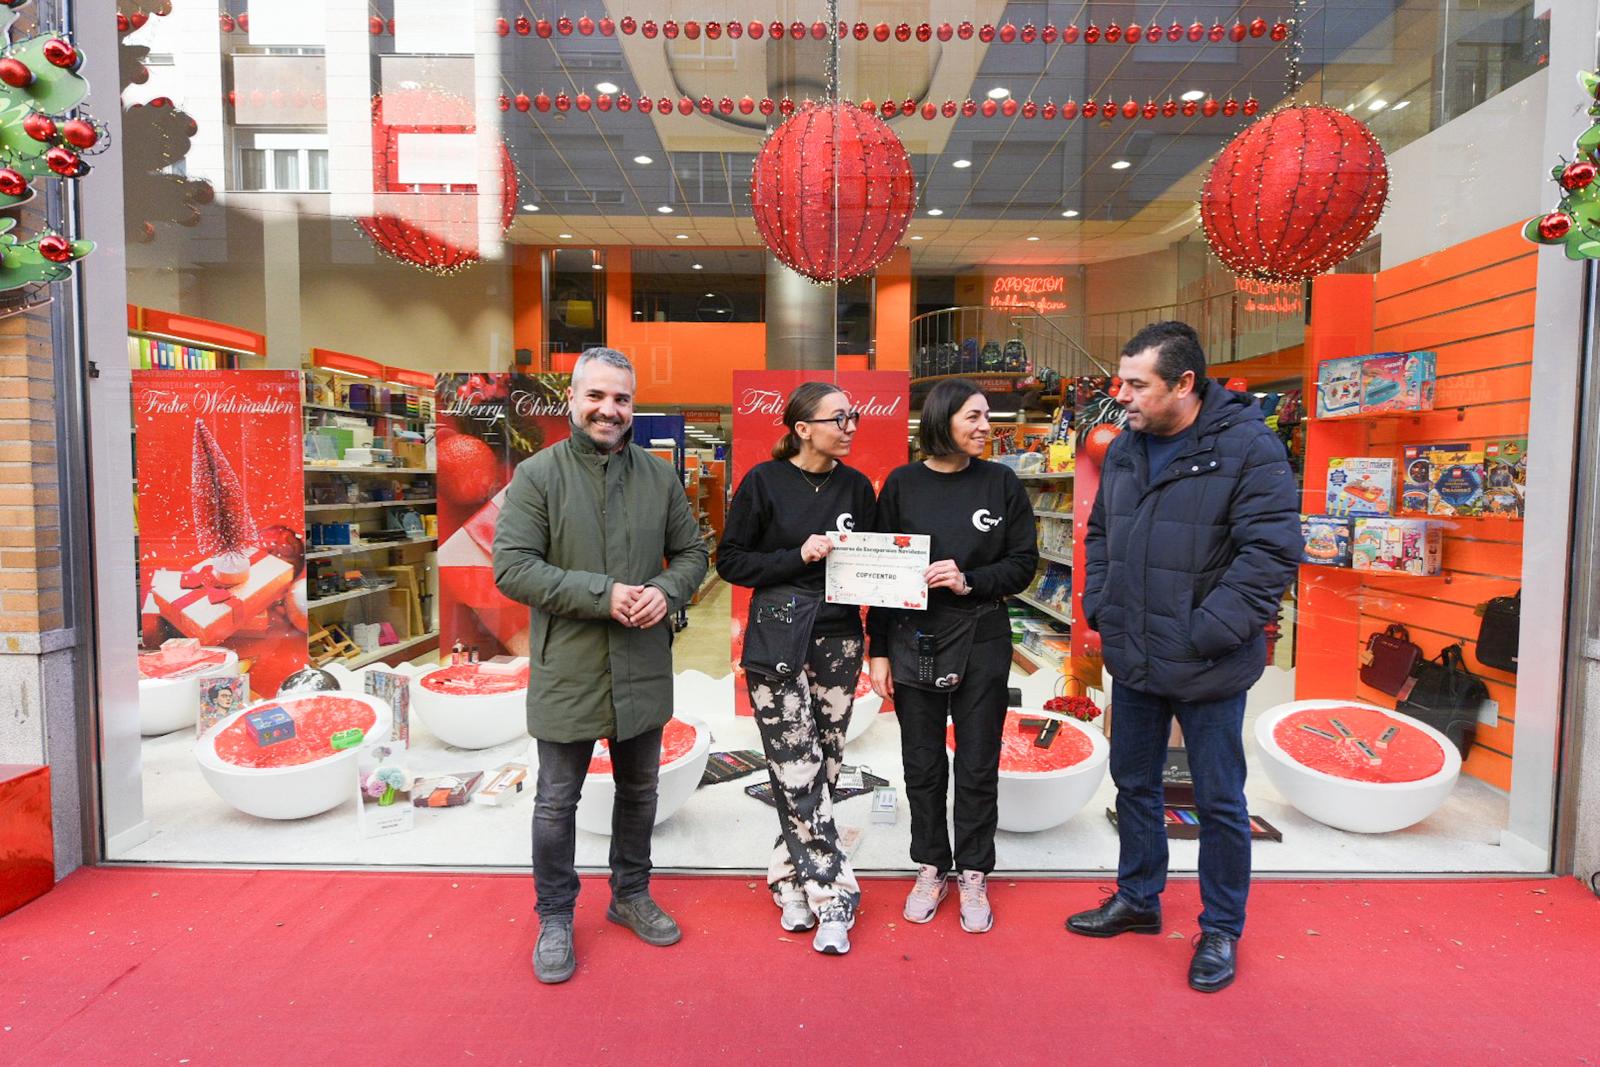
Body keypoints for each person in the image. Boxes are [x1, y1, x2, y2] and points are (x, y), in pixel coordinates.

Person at [1065, 321, 1300, 994]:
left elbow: (1270, 554)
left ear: (1185, 383)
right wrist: (1101, 604)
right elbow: (1103, 530)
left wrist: (1208, 629)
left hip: (1208, 661)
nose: (1123, 396)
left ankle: (1221, 925)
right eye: (1122, 381)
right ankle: (1139, 897)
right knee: (1133, 783)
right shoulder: (1131, 446)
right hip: (1135, 655)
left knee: (1220, 798)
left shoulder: (1250, 446)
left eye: (1137, 384)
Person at [492, 347, 709, 985]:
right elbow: (513, 567)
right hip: (570, 666)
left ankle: (629, 894)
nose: (609, 410)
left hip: (642, 664)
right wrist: (603, 594)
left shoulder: (658, 476)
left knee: (640, 789)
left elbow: (693, 552)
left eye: (621, 399)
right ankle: (556, 916)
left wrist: (667, 593)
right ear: (573, 400)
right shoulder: (537, 476)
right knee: (558, 801)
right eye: (597, 397)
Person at [867, 378, 1037, 933]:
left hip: (984, 635)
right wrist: (878, 650)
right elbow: (882, 573)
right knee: (921, 761)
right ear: (943, 419)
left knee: (978, 759)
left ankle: (974, 871)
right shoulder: (901, 484)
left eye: (988, 416)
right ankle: (931, 863)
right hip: (912, 638)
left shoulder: (1001, 482)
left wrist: (970, 580)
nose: (986, 426)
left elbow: (1023, 563)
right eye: (975, 416)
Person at [716, 382, 877, 955]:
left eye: (853, 416)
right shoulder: (763, 482)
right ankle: (834, 897)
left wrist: (877, 642)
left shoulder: (857, 486)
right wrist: (796, 556)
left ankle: (789, 877)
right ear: (802, 428)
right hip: (777, 639)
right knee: (794, 768)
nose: (851, 426)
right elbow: (730, 559)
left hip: (838, 640)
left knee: (825, 766)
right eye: (840, 417)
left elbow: (874, 566)